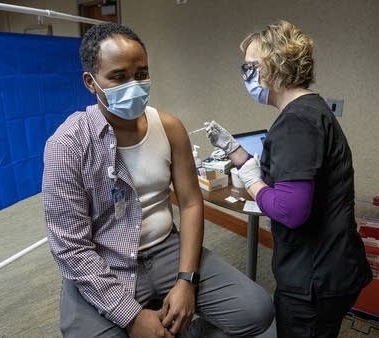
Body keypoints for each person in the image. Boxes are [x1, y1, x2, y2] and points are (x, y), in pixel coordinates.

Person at [42, 22, 274, 338]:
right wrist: (131, 318)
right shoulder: (67, 145)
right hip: (103, 260)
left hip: (166, 248)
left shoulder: (168, 127)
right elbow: (70, 248)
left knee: (256, 310)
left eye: (141, 74)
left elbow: (191, 204)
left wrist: (186, 280)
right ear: (91, 82)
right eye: (118, 77)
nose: (134, 85)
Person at [205, 21, 373, 338]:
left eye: (250, 67)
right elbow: (297, 173)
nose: (246, 77)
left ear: (276, 66)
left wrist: (254, 184)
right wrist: (236, 152)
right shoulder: (312, 109)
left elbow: (289, 210)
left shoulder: (296, 122)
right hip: (332, 266)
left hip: (314, 280)